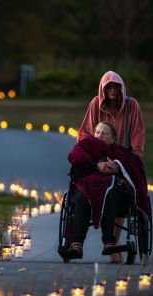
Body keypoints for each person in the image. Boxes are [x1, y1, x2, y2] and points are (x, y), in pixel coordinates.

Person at [78, 70, 145, 262]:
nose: (113, 90)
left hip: (123, 158)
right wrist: (90, 157)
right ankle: (82, 241)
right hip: (99, 157)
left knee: (120, 190)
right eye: (109, 87)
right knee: (87, 184)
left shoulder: (131, 106)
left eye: (116, 86)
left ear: (122, 88)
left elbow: (138, 135)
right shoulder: (95, 105)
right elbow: (85, 132)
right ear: (103, 89)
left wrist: (132, 161)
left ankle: (113, 244)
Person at [63, 122, 150, 260]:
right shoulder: (85, 148)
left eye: (104, 133)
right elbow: (76, 169)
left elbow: (136, 171)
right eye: (97, 132)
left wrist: (118, 167)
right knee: (82, 196)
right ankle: (76, 244)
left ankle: (110, 242)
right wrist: (97, 166)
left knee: (109, 194)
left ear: (114, 138)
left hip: (115, 194)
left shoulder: (122, 153)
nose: (99, 135)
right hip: (87, 188)